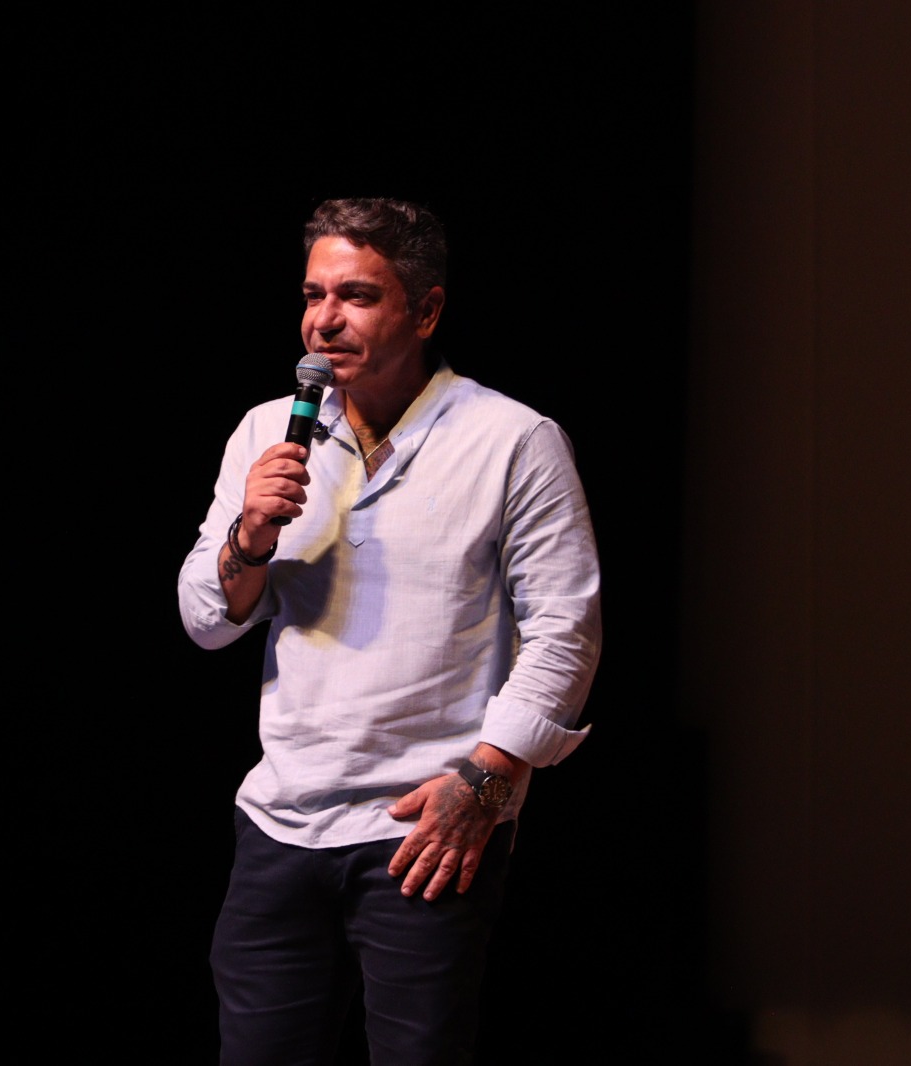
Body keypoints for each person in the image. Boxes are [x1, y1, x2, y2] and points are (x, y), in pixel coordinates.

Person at [176, 197, 603, 1065]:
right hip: (280, 825)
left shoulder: (512, 439)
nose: (324, 320)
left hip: (424, 829)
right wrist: (249, 538)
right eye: (313, 294)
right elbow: (205, 621)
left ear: (427, 310)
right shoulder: (265, 430)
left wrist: (484, 784)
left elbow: (565, 631)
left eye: (358, 296)